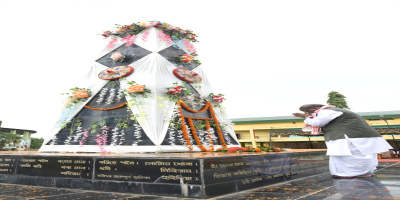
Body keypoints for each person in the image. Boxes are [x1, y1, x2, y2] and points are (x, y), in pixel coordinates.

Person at [292, 104, 392, 178]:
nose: (308, 114)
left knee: (351, 156)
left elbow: (318, 122)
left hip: (351, 137)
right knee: (360, 155)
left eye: (307, 111)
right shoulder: (336, 110)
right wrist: (309, 117)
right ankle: (360, 173)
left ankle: (356, 174)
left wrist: (306, 118)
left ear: (314, 108)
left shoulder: (326, 111)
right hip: (357, 136)